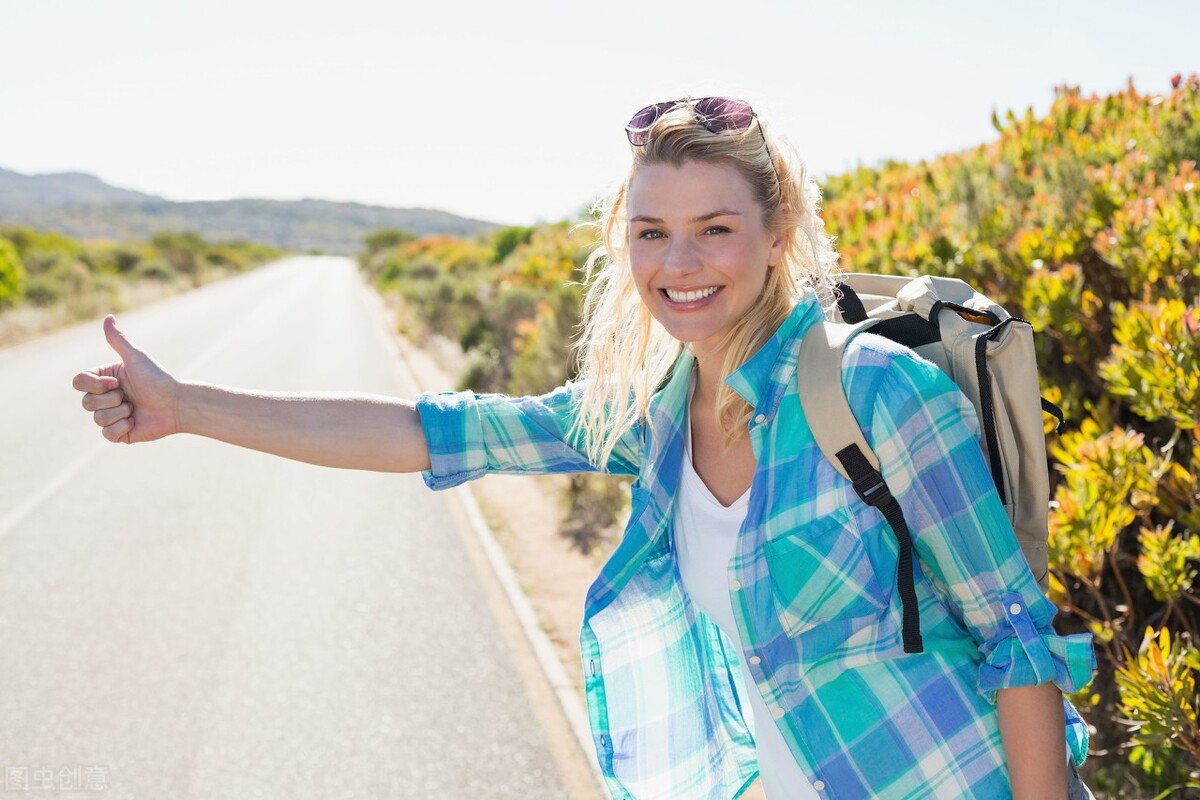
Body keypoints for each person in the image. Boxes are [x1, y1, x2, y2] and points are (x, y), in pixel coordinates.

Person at [74, 97, 1095, 799]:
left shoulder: (877, 391)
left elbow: (1016, 638)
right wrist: (188, 406)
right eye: (651, 232)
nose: (679, 264)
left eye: (714, 229)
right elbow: (432, 431)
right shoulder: (648, 414)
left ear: (778, 232)